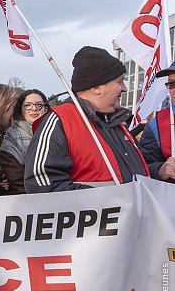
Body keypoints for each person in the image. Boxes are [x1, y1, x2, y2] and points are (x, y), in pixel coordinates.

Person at [24, 46, 149, 192]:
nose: (125, 88)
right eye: (120, 81)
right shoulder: (59, 121)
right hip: (101, 214)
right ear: (96, 87)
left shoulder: (117, 123)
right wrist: (109, 202)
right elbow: (41, 184)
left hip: (132, 214)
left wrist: (158, 171)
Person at [0, 89, 48, 194]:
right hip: (27, 201)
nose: (34, 108)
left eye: (39, 105)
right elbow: (16, 179)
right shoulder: (11, 137)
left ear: (46, 109)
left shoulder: (57, 132)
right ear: (20, 110)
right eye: (28, 105)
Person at [137, 61, 175, 183]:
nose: (174, 90)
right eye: (171, 84)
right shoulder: (157, 126)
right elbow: (141, 167)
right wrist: (159, 170)